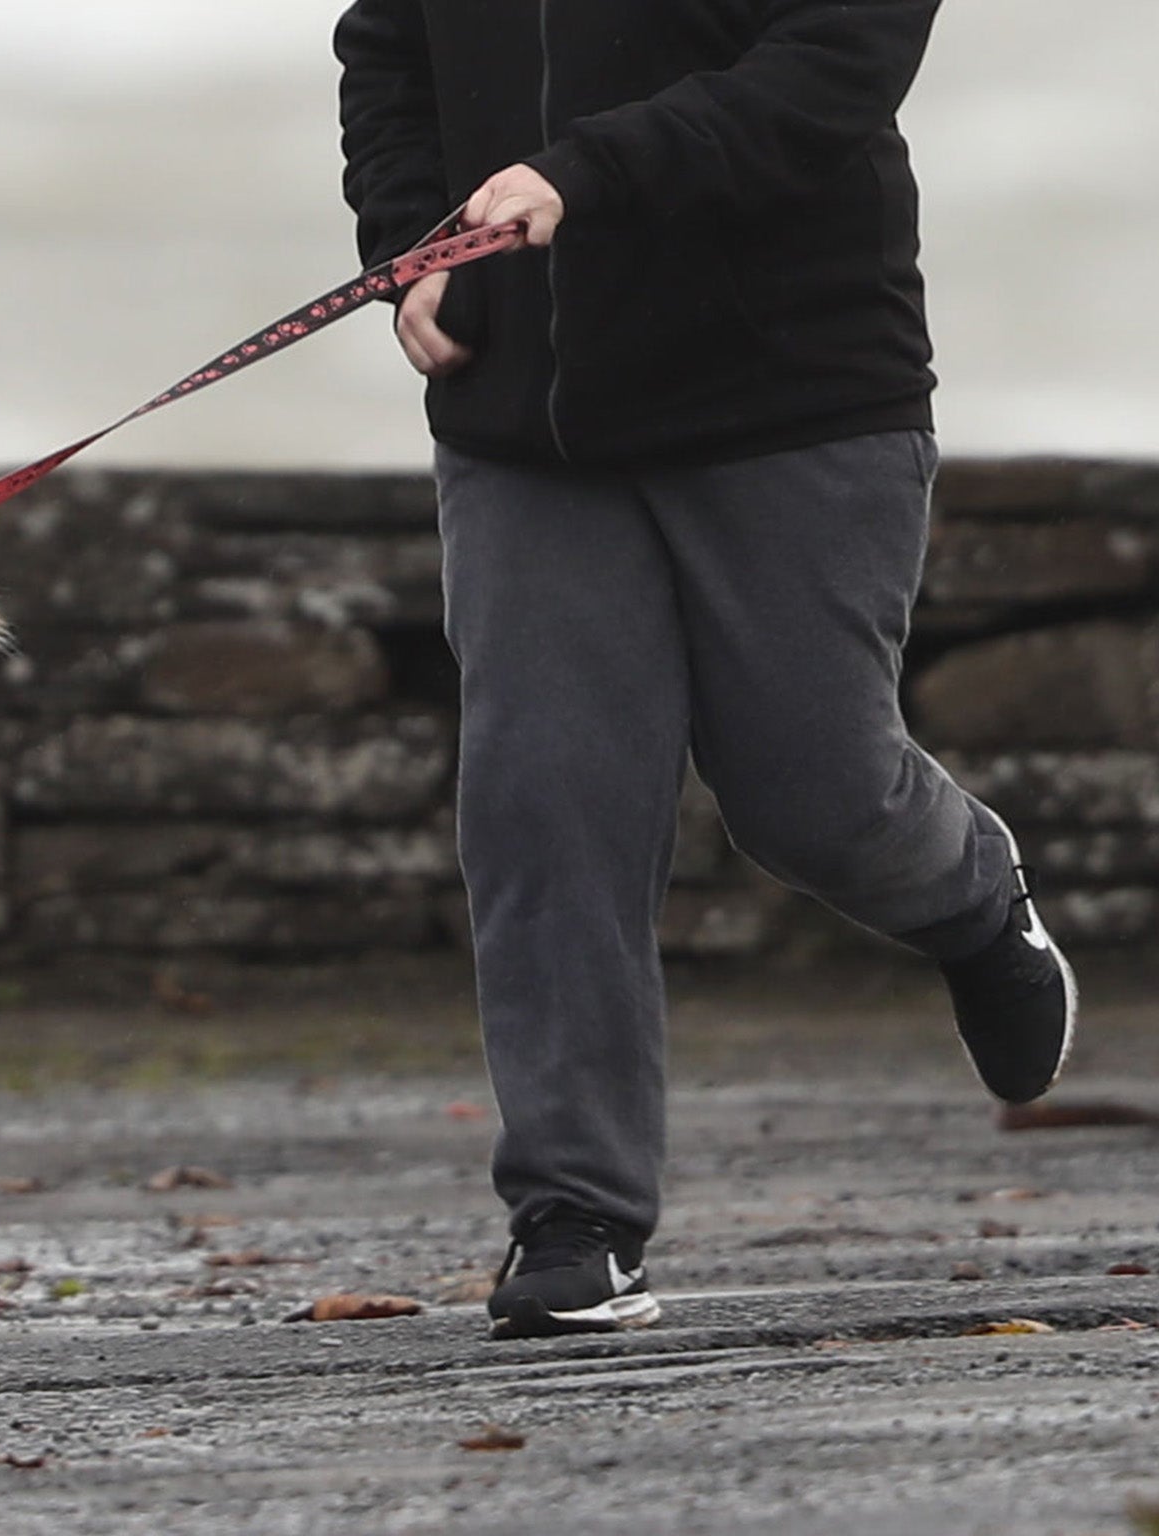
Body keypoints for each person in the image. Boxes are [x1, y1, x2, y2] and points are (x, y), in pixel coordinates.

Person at [333, 0, 1076, 1341]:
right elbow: (386, 45)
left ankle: (972, 898)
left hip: (792, 396)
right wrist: (410, 240)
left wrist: (584, 173)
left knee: (813, 797)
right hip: (524, 424)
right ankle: (577, 1217)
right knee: (544, 794)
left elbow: (839, 66)